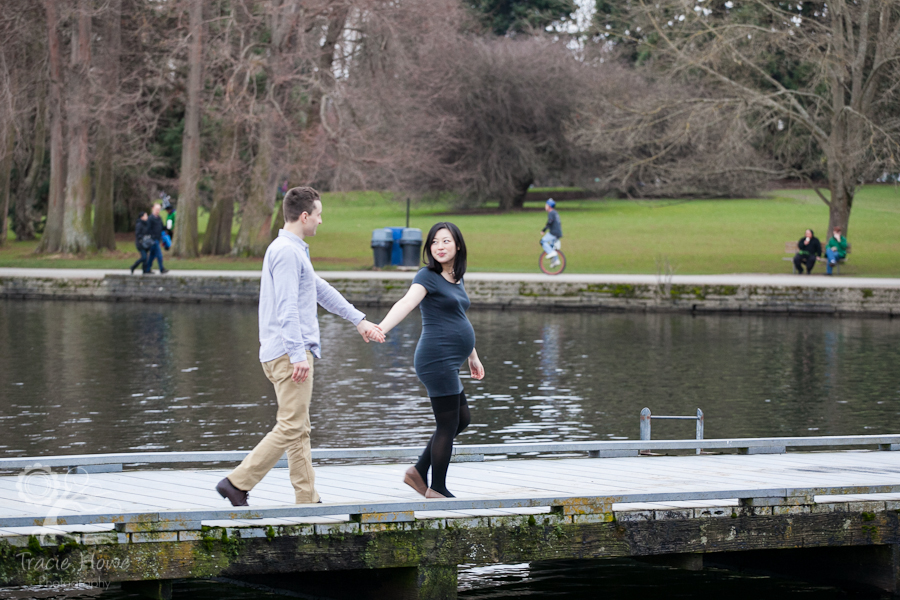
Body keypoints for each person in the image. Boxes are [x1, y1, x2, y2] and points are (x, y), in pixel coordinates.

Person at [216, 186, 384, 506]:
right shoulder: (286, 252)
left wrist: (358, 320)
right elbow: (287, 307)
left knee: (299, 428)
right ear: (304, 216)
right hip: (288, 353)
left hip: (285, 352)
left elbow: (320, 290)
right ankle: (237, 483)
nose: (321, 221)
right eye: (319, 215)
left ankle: (307, 498)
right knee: (291, 425)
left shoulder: (293, 250)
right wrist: (297, 354)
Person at [377, 222, 485, 499]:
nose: (439, 246)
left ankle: (418, 471)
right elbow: (406, 303)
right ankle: (437, 487)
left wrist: (472, 355)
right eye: (435, 242)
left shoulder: (456, 277)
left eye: (445, 241)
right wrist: (382, 328)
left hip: (452, 359)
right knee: (448, 424)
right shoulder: (427, 276)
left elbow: (459, 316)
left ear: (457, 245)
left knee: (462, 419)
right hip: (435, 359)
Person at [540, 199, 563, 269]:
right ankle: (556, 261)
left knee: (542, 241)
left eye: (546, 205)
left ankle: (552, 253)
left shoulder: (551, 213)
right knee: (551, 247)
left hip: (554, 232)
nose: (545, 206)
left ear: (549, 206)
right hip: (558, 233)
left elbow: (550, 222)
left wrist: (543, 230)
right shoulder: (555, 213)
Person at [146, 203, 169, 274]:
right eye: (156, 209)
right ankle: (161, 269)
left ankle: (147, 268)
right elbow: (148, 229)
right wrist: (152, 236)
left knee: (152, 255)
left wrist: (167, 227)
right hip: (153, 239)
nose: (158, 211)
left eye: (159, 209)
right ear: (153, 209)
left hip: (158, 238)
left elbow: (161, 227)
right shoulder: (150, 218)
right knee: (159, 254)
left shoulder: (159, 218)